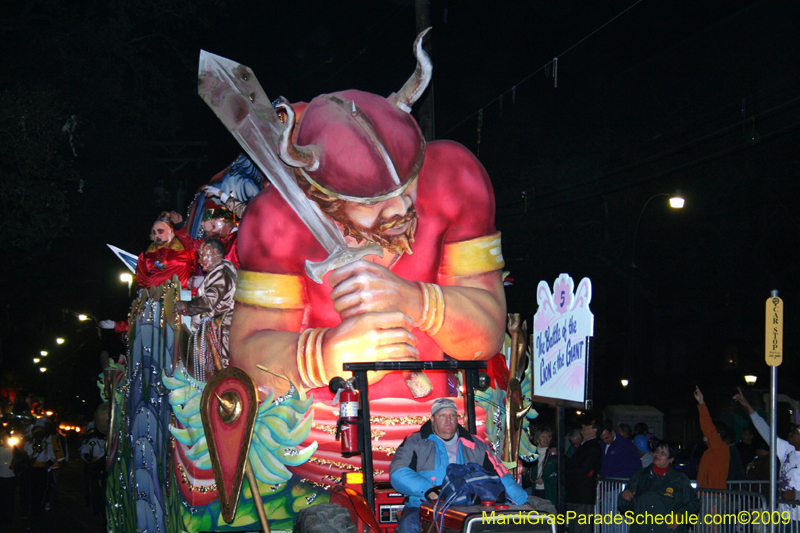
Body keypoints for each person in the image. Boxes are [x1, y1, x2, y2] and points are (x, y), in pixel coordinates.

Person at [227, 32, 509, 487]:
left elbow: (487, 333)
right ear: (322, 197)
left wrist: (416, 301)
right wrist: (325, 353)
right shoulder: (276, 218)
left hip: (442, 432)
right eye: (374, 201)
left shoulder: (456, 177)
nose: (399, 210)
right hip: (322, 443)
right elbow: (247, 353)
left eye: (407, 187)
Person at [389, 398, 528, 533]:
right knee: (408, 526)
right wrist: (428, 489)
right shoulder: (415, 442)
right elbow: (398, 472)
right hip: (422, 506)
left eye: (452, 415)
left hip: (469, 508)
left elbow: (502, 475)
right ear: (432, 419)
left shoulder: (477, 445)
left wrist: (522, 502)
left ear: (457, 418)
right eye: (442, 415)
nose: (448, 419)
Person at [734, 387, 800, 523]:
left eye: (794, 433)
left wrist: (797, 495)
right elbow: (766, 432)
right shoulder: (787, 450)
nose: (789, 434)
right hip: (784, 516)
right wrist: (748, 407)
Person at [175, 238, 237, 372]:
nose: (199, 261)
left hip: (218, 337)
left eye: (202, 256)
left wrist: (186, 306)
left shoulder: (221, 272)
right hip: (213, 335)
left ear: (214, 252)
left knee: (216, 374)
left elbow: (209, 302)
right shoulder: (219, 272)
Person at [618, 441, 700, 533]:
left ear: (671, 459)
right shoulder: (640, 476)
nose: (657, 454)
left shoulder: (679, 479)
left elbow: (693, 503)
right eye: (656, 451)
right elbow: (626, 507)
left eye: (663, 453)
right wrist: (624, 498)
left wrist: (681, 516)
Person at [135, 212, 195, 289]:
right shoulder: (146, 254)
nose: (156, 235)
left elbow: (195, 273)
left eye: (160, 231)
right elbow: (140, 277)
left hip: (179, 297)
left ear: (170, 230)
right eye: (154, 232)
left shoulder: (185, 250)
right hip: (153, 297)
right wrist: (141, 291)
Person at [565, 418, 604, 533]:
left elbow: (582, 469)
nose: (583, 425)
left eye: (587, 425)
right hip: (576, 494)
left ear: (594, 430)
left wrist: (566, 463)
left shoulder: (593, 447)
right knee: (574, 527)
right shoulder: (585, 445)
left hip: (582, 495)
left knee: (581, 527)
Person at [694, 386, 729, 489]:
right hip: (705, 494)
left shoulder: (720, 448)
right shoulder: (708, 451)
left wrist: (701, 404)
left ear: (717, 434)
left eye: (710, 432)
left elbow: (707, 427)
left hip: (715, 496)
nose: (705, 433)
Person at [526, 426, 557, 507]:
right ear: (537, 439)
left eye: (548, 437)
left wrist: (545, 480)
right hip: (534, 490)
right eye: (543, 436)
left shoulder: (554, 454)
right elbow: (527, 475)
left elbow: (559, 474)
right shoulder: (531, 454)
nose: (546, 439)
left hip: (548, 492)